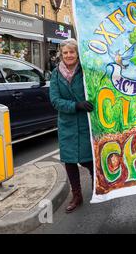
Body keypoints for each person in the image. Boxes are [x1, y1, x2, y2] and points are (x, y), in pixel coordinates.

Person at [49, 38, 94, 213]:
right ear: (62, 54)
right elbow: (55, 100)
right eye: (65, 52)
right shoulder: (55, 74)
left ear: (77, 53)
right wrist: (75, 105)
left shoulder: (86, 71)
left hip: (85, 122)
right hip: (67, 124)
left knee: (87, 159)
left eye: (72, 52)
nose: (68, 55)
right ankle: (77, 195)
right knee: (69, 161)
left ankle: (99, 186)